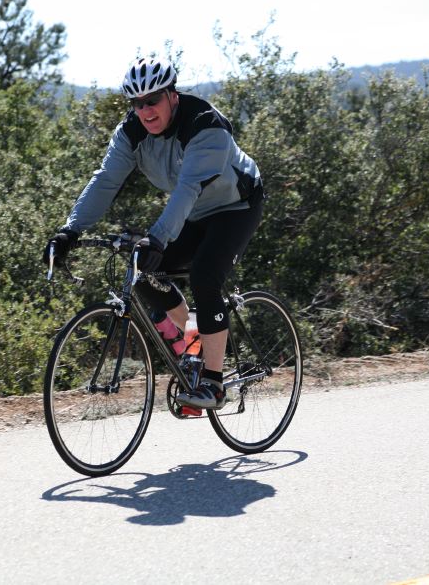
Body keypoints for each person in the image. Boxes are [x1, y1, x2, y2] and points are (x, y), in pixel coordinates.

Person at [44, 56, 264, 410]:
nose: (145, 110)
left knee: (206, 274)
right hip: (193, 211)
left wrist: (158, 238)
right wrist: (69, 231)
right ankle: (193, 333)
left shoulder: (205, 124)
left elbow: (188, 188)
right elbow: (105, 182)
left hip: (236, 206)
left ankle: (214, 382)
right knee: (141, 271)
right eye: (137, 103)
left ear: (172, 95)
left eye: (153, 100)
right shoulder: (131, 133)